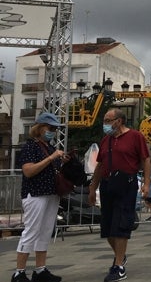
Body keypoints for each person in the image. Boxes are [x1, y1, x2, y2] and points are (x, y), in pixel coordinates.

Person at [88, 108, 151, 282]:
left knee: (121, 224)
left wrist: (146, 183)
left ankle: (118, 266)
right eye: (105, 120)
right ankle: (119, 256)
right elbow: (100, 165)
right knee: (107, 227)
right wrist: (93, 188)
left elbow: (145, 159)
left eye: (109, 120)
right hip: (108, 184)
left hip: (126, 184)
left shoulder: (135, 137)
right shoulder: (106, 140)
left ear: (119, 121)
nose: (106, 123)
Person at [12, 112, 68, 282]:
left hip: (51, 193)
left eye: (55, 129)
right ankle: (19, 272)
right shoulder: (31, 147)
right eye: (50, 128)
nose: (53, 132)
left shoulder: (50, 147)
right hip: (35, 193)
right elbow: (28, 171)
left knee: (45, 231)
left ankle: (40, 269)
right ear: (40, 128)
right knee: (31, 230)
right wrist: (51, 158)